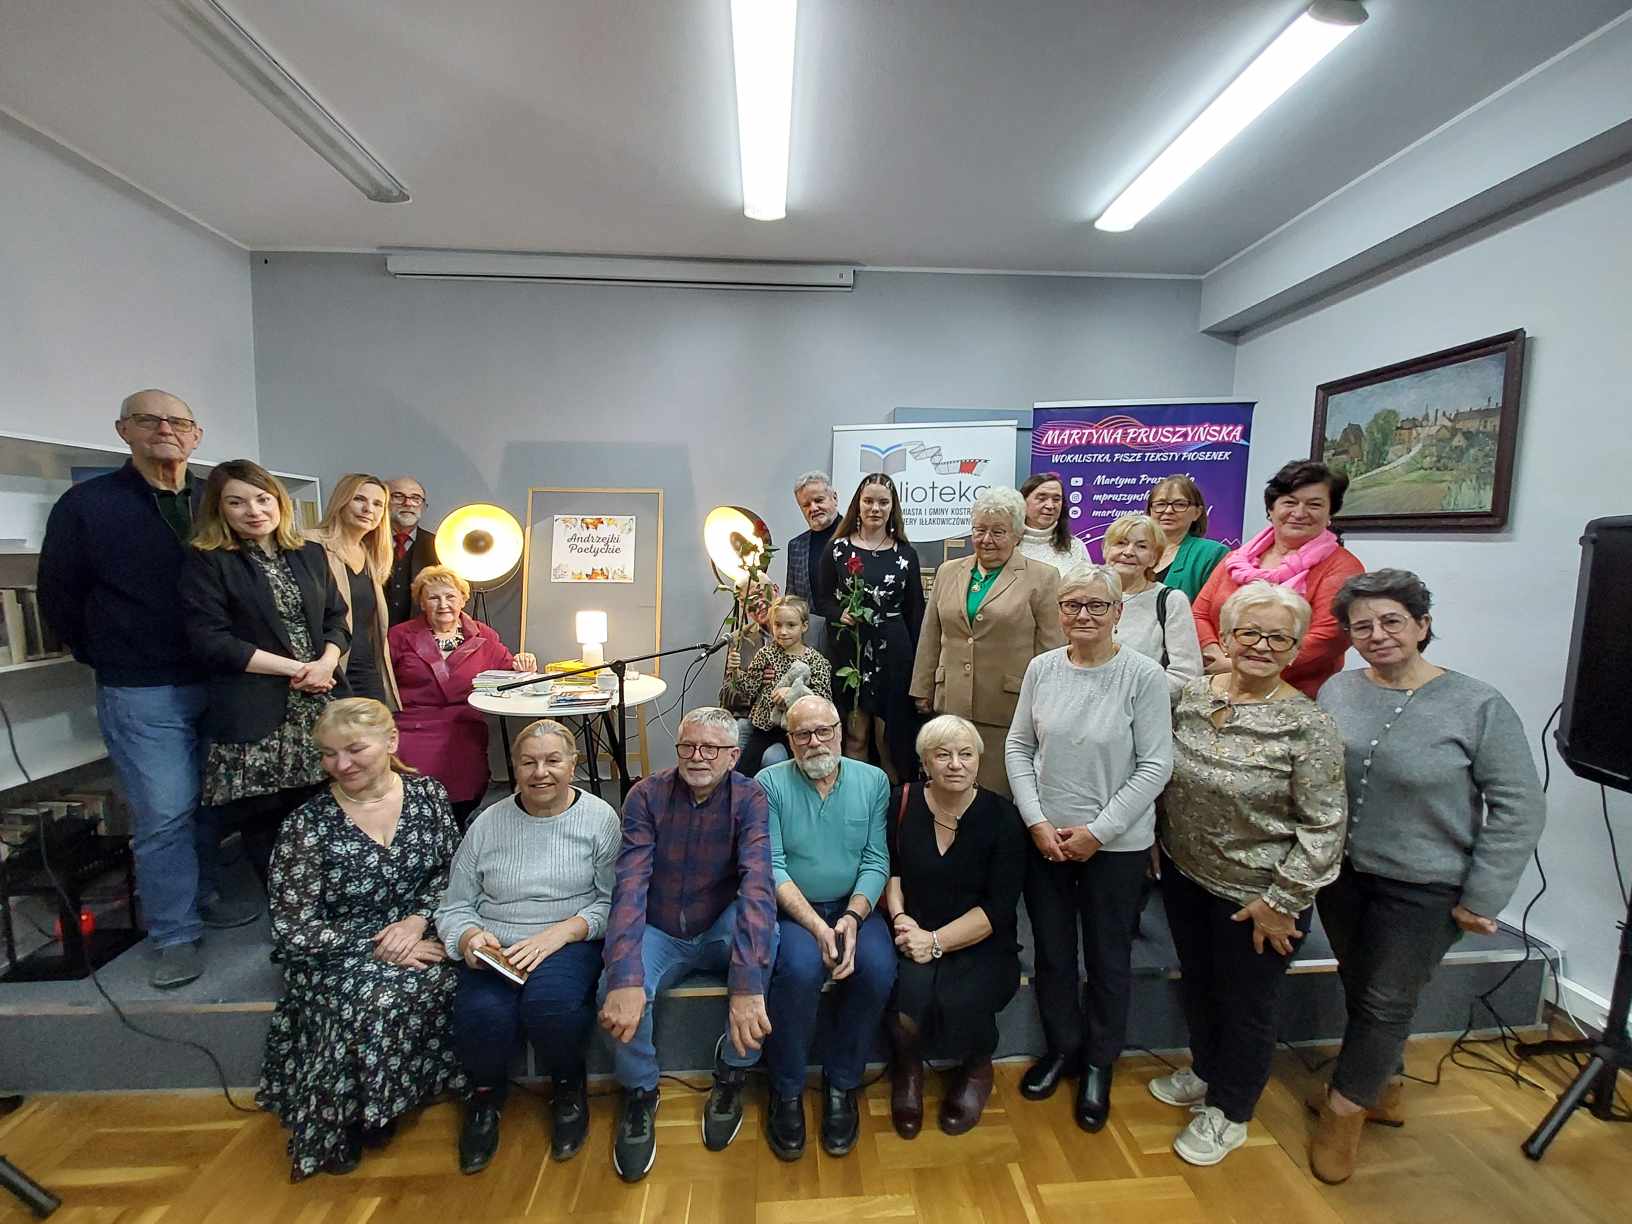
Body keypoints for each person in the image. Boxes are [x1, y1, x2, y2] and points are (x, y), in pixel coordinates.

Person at [1308, 570, 1545, 1183]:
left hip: (1426, 884)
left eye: (1391, 621)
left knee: (1387, 998)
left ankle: (1343, 1111)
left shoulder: (1477, 704)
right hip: (1343, 874)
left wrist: (1484, 895)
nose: (1377, 634)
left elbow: (1519, 805)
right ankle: (1383, 1084)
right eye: (1362, 626)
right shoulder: (1338, 690)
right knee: (1363, 983)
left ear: (1422, 624)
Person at [38, 389, 258, 989]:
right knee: (163, 809)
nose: (165, 429)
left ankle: (206, 889)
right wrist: (110, 652)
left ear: (196, 436)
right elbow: (58, 596)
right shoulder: (88, 505)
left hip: (224, 678)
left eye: (178, 421)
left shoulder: (217, 499)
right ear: (122, 430)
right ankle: (174, 933)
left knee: (214, 799)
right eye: (149, 419)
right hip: (143, 685)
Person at [1150, 581, 1347, 1168]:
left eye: (1277, 637)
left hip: (1257, 895)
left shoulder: (1307, 726)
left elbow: (1325, 826)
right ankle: (1206, 1069)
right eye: (1248, 633)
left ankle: (1232, 1110)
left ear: (1294, 649)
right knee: (1201, 984)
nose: (1260, 645)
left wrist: (1283, 901)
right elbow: (1167, 771)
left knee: (1246, 1004)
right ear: (1227, 638)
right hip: (1186, 874)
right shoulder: (1191, 695)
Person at [257, 698, 465, 1181]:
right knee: (375, 996)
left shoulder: (429, 796)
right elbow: (293, 924)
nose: (341, 764)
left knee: (467, 975)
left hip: (420, 930)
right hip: (336, 948)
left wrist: (417, 921)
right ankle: (354, 1115)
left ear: (391, 742)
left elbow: (454, 874)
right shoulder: (305, 826)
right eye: (328, 754)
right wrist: (378, 944)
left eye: (354, 749)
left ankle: (405, 1093)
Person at [1005, 564, 1172, 1132]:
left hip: (1116, 847)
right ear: (1059, 613)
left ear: (1118, 613)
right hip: (1046, 840)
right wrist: (1036, 821)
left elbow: (1156, 765)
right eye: (1073, 605)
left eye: (1097, 606)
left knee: (1107, 957)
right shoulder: (1041, 669)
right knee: (1052, 954)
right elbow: (1019, 748)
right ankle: (1063, 1050)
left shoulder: (1143, 676)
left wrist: (1098, 832)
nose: (1083, 616)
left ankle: (1100, 1062)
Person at [597, 707, 777, 1183]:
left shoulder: (750, 797)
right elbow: (630, 885)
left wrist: (745, 986)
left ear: (734, 756)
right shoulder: (646, 796)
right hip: (659, 927)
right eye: (687, 747)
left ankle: (733, 1072)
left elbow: (757, 883)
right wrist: (625, 976)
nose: (697, 757)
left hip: (716, 923)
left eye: (711, 748)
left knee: (765, 933)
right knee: (612, 988)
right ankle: (640, 1092)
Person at [436, 719, 620, 1172]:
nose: (541, 772)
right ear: (513, 768)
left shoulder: (600, 819)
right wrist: (469, 938)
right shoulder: (487, 823)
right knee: (481, 1014)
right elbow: (455, 904)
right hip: (497, 941)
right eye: (528, 762)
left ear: (574, 765)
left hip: (568, 938)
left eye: (553, 760)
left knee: (551, 1006)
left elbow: (613, 902)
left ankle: (567, 1088)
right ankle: (485, 1097)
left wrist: (560, 933)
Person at [179, 460, 351, 886]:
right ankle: (285, 910)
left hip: (319, 701)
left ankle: (327, 900)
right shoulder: (210, 560)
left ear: (279, 501)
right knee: (267, 822)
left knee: (326, 809)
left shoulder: (309, 553)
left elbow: (338, 618)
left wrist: (327, 662)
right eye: (236, 502)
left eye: (262, 498)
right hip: (255, 709)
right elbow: (210, 640)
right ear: (220, 510)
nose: (253, 511)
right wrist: (298, 669)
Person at [756, 695, 895, 1160]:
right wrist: (819, 926)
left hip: (855, 906)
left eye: (824, 731)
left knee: (876, 968)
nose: (815, 742)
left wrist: (853, 918)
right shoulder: (769, 783)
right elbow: (771, 865)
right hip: (798, 909)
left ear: (840, 730)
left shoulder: (873, 780)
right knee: (797, 970)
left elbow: (876, 859)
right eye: (802, 734)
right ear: (789, 739)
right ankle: (788, 1088)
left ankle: (842, 1083)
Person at [882, 715, 1025, 1138]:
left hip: (979, 935)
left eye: (965, 754)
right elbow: (891, 871)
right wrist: (902, 919)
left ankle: (978, 1066)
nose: (956, 764)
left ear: (979, 760)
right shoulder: (901, 801)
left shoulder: (1003, 818)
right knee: (907, 1000)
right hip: (914, 926)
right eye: (943, 755)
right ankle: (908, 1069)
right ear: (925, 761)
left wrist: (936, 942)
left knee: (965, 999)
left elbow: (999, 907)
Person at [909, 488, 1064, 796]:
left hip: (1008, 709)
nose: (986, 540)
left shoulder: (1043, 578)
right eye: (980, 530)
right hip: (950, 702)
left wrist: (1049, 705)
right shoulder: (948, 571)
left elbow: (1053, 649)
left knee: (997, 796)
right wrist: (922, 688)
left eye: (998, 532)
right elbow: (931, 634)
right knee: (950, 788)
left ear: (1018, 533)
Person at [1191, 460, 1363, 698]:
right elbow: (1199, 613)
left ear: (1329, 513)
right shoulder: (1236, 559)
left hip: (1295, 698)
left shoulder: (1342, 567)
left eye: (1314, 504)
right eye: (1289, 502)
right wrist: (1217, 657)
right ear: (1271, 509)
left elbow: (1328, 638)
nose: (1300, 513)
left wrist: (1242, 665)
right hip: (1221, 686)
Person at [388, 565, 538, 827]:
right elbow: (381, 679)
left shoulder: (484, 636)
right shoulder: (399, 636)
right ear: (422, 602)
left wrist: (523, 665)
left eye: (450, 596)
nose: (443, 604)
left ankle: (455, 832)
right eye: (434, 597)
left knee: (466, 774)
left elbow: (508, 674)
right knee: (410, 787)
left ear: (462, 599)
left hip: (462, 722)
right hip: (411, 723)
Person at [813, 473, 926, 783]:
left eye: (883, 502)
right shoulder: (837, 549)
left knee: (890, 743)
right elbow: (822, 600)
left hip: (894, 654)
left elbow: (916, 614)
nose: (875, 508)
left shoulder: (906, 554)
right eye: (869, 501)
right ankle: (856, 802)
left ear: (893, 508)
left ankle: (891, 816)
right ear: (857, 505)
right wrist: (841, 613)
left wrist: (922, 673)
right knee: (856, 738)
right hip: (852, 652)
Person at [309, 473, 399, 708]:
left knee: (375, 738)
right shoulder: (309, 544)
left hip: (365, 667)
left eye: (378, 504)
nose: (368, 509)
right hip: (324, 666)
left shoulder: (371, 556)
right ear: (342, 500)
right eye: (359, 499)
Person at [720, 595, 834, 775]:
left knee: (777, 766)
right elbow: (749, 688)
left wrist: (793, 693)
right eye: (778, 625)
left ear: (804, 626)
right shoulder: (765, 654)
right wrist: (734, 671)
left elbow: (823, 702)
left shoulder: (816, 661)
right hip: (763, 727)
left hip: (795, 730)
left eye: (791, 625)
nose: (783, 631)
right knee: (745, 770)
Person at [1102, 513, 1203, 696]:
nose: (1129, 551)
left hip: (1144, 711)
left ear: (1154, 558)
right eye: (1121, 543)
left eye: (1141, 546)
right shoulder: (1085, 596)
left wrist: (1128, 696)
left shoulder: (1171, 601)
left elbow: (1187, 675)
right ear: (1106, 549)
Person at [1145, 475, 1228, 600]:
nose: (1168, 510)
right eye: (1160, 504)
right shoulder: (1133, 550)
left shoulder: (1212, 553)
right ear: (1150, 510)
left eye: (1179, 504)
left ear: (1197, 513)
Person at [384, 476, 440, 626]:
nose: (408, 503)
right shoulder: (363, 544)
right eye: (398, 496)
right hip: (371, 639)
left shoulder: (440, 547)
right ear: (383, 502)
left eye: (416, 498)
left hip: (420, 639)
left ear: (424, 506)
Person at [784, 470, 840, 606]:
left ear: (834, 498)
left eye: (819, 500)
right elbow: (792, 600)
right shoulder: (796, 546)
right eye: (806, 505)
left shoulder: (859, 536)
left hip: (852, 626)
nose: (813, 508)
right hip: (810, 626)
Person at [1017, 472, 1091, 572]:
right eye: (1042, 499)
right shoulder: (1008, 544)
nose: (1050, 506)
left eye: (1056, 500)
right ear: (1023, 501)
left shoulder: (1074, 546)